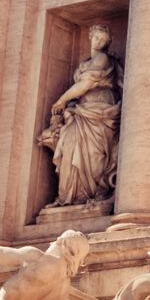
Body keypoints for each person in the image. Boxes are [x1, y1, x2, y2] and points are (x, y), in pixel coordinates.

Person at [40, 23, 121, 206]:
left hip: (99, 109)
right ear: (90, 36)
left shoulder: (102, 59)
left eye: (103, 40)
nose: (99, 42)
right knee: (70, 147)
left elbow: (86, 85)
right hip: (82, 110)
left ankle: (90, 193)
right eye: (97, 37)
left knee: (93, 154)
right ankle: (70, 196)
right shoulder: (85, 62)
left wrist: (62, 100)